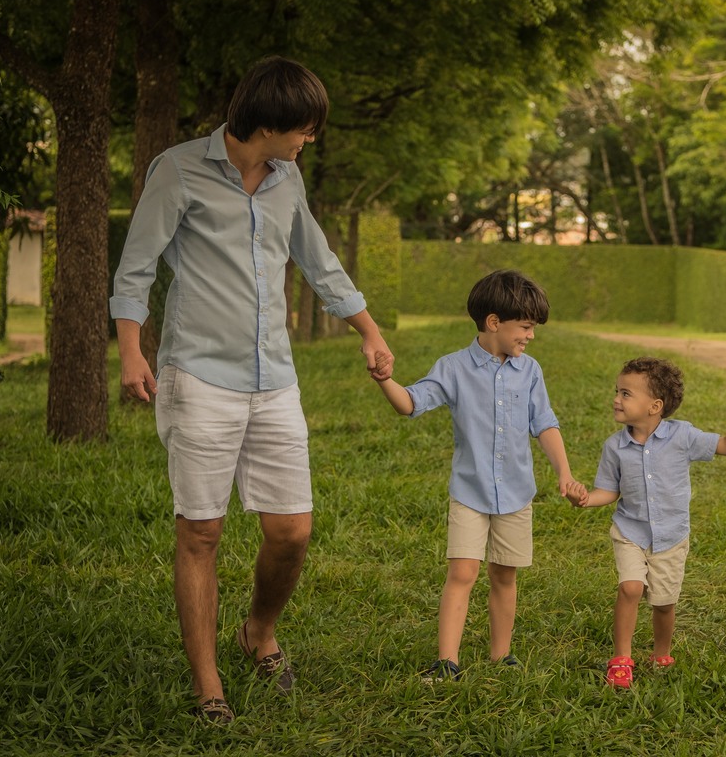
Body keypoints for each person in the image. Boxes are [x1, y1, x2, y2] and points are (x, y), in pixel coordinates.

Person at [110, 56, 394, 724]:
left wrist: (369, 332)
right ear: (268, 122)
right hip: (199, 375)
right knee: (201, 531)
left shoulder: (286, 180)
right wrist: (130, 351)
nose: (310, 140)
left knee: (291, 530)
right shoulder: (177, 170)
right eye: (305, 127)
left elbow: (319, 261)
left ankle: (258, 630)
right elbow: (137, 267)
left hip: (274, 379)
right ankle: (209, 683)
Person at [376, 269, 579, 682]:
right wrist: (385, 380)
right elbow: (411, 403)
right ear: (493, 323)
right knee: (463, 573)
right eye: (525, 327)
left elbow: (544, 422)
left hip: (517, 494)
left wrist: (564, 472)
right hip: (470, 492)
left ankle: (500, 655)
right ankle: (447, 662)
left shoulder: (530, 370)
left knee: (504, 575)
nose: (531, 336)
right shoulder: (453, 368)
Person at [566, 357, 726, 689]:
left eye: (626, 394)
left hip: (670, 536)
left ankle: (661, 653)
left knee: (664, 603)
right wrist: (585, 498)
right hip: (631, 532)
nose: (616, 399)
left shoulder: (681, 436)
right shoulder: (614, 447)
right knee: (630, 588)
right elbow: (608, 491)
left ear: (654, 406)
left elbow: (725, 446)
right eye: (617, 391)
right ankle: (622, 658)